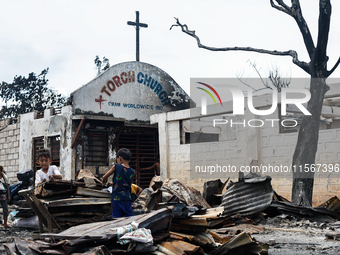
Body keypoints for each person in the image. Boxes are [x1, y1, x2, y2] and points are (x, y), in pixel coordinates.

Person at [102, 148, 135, 218]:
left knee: (116, 221)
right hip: (127, 198)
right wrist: (113, 183)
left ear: (120, 158)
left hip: (117, 199)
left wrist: (104, 181)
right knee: (128, 220)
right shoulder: (132, 171)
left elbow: (104, 177)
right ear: (129, 159)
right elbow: (124, 183)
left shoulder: (117, 166)